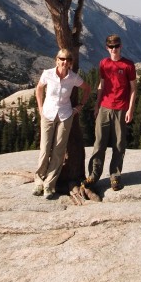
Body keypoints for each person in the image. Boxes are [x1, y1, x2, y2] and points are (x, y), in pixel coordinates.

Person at [33, 48, 91, 200]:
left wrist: (80, 106)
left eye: (68, 60)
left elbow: (87, 89)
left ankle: (49, 185)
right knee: (45, 149)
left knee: (59, 151)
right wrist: (40, 107)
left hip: (65, 115)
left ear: (71, 63)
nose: (65, 62)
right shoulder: (48, 74)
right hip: (47, 114)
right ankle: (39, 180)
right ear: (56, 60)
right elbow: (39, 88)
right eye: (62, 59)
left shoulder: (73, 77)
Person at [84, 34, 137, 191]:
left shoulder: (128, 65)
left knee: (119, 144)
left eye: (116, 46)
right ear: (107, 48)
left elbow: (133, 88)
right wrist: (96, 105)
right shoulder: (103, 64)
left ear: (120, 46)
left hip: (121, 108)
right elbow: (101, 85)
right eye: (111, 47)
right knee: (99, 143)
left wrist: (131, 109)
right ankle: (94, 175)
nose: (114, 49)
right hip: (105, 108)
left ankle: (115, 176)